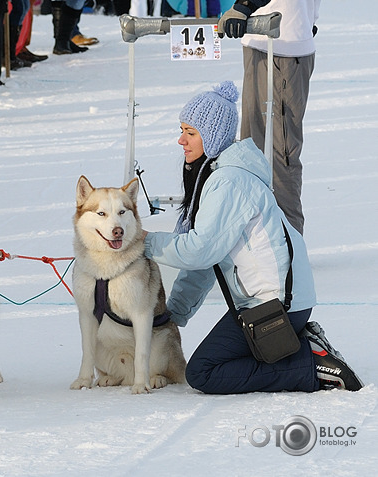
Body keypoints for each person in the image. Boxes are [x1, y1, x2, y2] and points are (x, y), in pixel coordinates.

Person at [143, 81, 363, 394]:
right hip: (274, 301)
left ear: (213, 136)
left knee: (204, 373)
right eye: (182, 130)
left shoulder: (229, 182)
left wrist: (146, 242)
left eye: (190, 132)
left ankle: (312, 364)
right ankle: (304, 347)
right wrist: (174, 314)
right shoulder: (223, 176)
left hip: (276, 305)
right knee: (210, 366)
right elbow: (207, 263)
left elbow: (199, 252)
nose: (181, 140)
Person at [218, 0, 320, 234]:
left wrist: (244, 6)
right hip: (265, 38)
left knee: (279, 153)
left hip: (282, 45)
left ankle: (288, 242)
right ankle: (257, 238)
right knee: (252, 148)